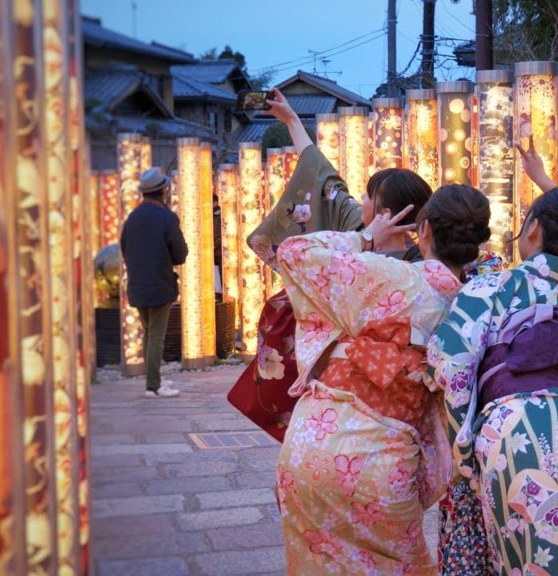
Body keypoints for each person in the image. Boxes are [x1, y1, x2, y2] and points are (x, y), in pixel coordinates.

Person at [275, 185, 492, 574]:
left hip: (313, 441)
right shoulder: (481, 305)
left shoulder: (387, 276)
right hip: (384, 462)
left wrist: (365, 236)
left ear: (423, 230)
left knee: (314, 562)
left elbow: (292, 252)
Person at [428, 187, 558, 575]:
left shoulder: (488, 288)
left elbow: (451, 363)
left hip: (518, 430)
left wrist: (464, 450)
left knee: (520, 562)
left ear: (532, 229)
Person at [229, 89, 435, 441]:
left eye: (368, 197)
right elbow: (323, 177)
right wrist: (292, 120)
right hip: (356, 388)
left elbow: (300, 242)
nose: (360, 201)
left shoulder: (367, 243)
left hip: (375, 386)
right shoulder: (418, 263)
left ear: (385, 212)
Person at [119, 167, 188, 398]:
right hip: (160, 284)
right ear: (163, 190)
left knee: (149, 332)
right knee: (157, 335)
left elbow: (124, 247)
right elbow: (180, 254)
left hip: (137, 285)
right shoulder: (167, 217)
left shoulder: (132, 218)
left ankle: (153, 380)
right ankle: (154, 386)